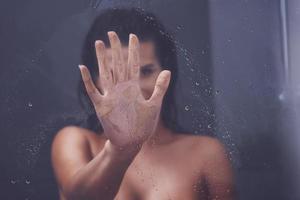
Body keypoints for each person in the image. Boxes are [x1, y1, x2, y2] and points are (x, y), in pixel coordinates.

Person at [51, 7, 236, 200]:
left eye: (146, 72)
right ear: (94, 81)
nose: (133, 90)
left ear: (166, 74)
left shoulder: (206, 152)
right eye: (115, 76)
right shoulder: (76, 141)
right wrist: (121, 150)